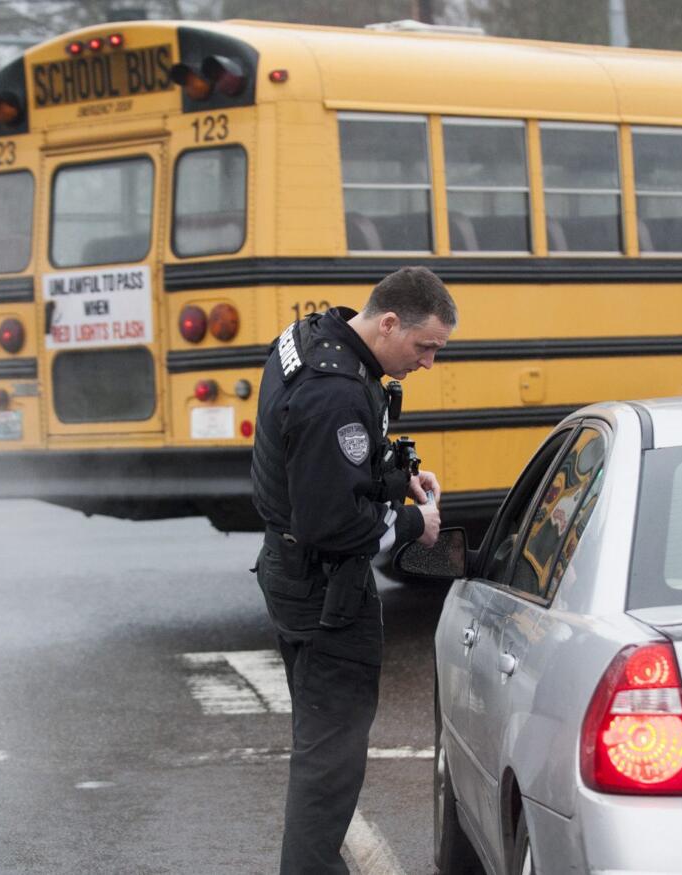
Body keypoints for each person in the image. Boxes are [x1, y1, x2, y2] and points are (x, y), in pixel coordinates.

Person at [250, 266, 457, 874]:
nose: (428, 364)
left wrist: (396, 478)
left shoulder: (316, 337)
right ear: (389, 322)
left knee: (323, 752)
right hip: (324, 589)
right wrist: (415, 524)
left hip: (291, 571)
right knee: (329, 762)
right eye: (425, 347)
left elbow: (315, 465)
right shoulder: (334, 390)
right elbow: (332, 523)